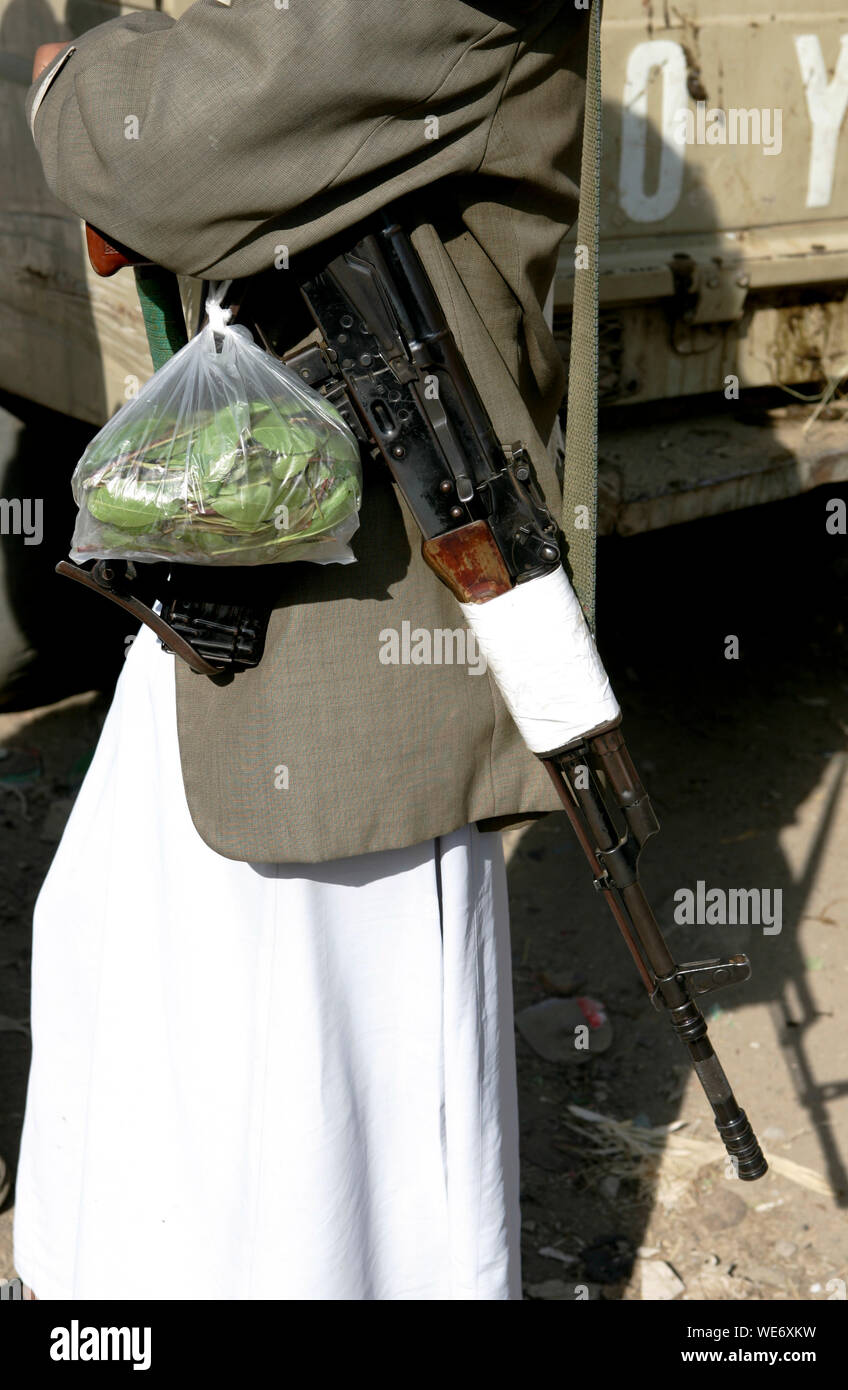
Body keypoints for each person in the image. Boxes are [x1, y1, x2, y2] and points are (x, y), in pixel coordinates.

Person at [14, 2, 591, 1300]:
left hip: (353, 631)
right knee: (175, 1015)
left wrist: (73, 82)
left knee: (312, 1111)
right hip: (266, 555)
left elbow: (163, 141)